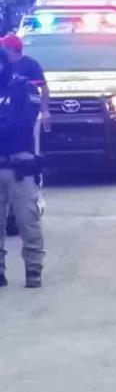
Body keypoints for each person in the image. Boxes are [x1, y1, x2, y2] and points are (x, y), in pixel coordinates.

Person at [0, 53, 45, 288]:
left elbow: (22, 123)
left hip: (20, 166)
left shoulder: (23, 87)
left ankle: (33, 267)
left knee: (28, 219)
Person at [1, 35, 49, 136]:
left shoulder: (31, 65)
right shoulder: (3, 65)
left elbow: (43, 88)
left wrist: (45, 111)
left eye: (3, 46)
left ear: (11, 49)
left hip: (22, 114)